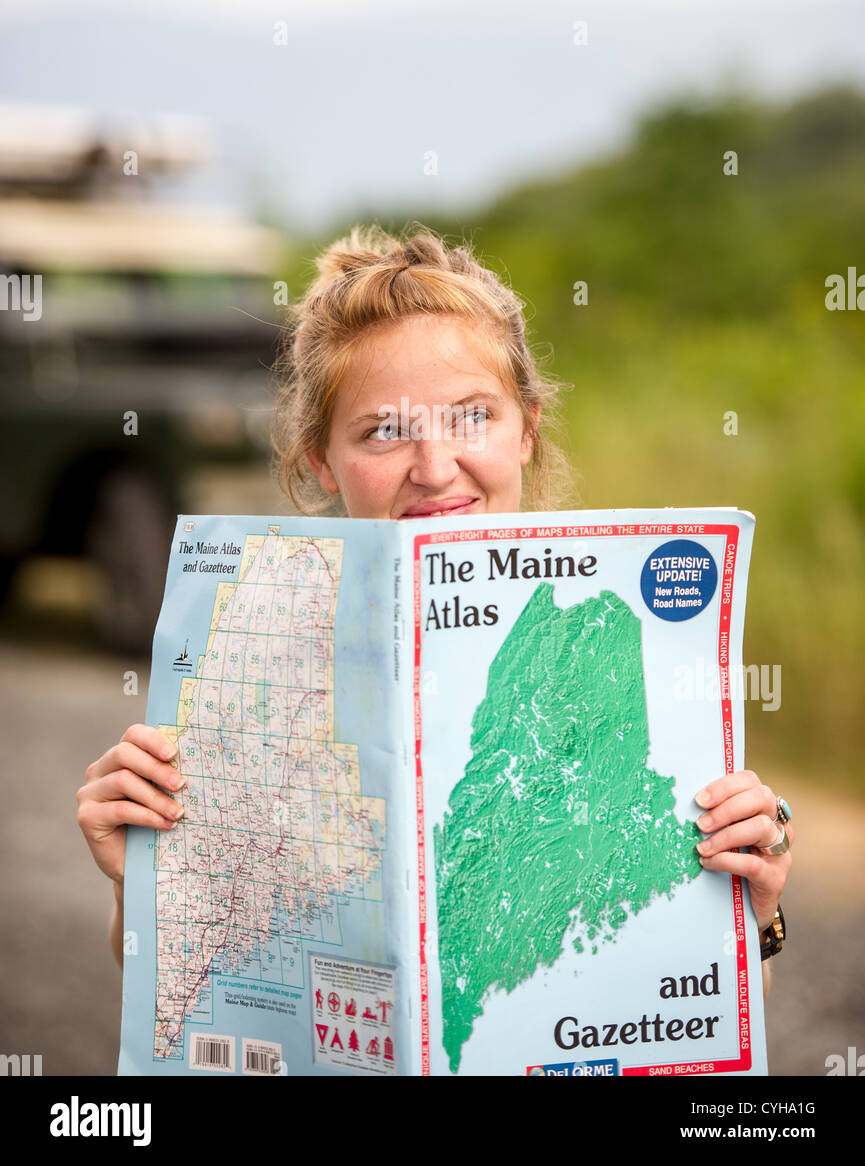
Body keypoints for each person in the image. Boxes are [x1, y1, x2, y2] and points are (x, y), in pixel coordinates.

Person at [77, 222, 794, 994]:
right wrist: (141, 884)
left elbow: (660, 982)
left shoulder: (633, 641)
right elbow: (199, 992)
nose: (434, 466)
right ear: (320, 460)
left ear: (526, 428)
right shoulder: (243, 670)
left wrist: (749, 904)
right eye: (384, 430)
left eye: (471, 415)